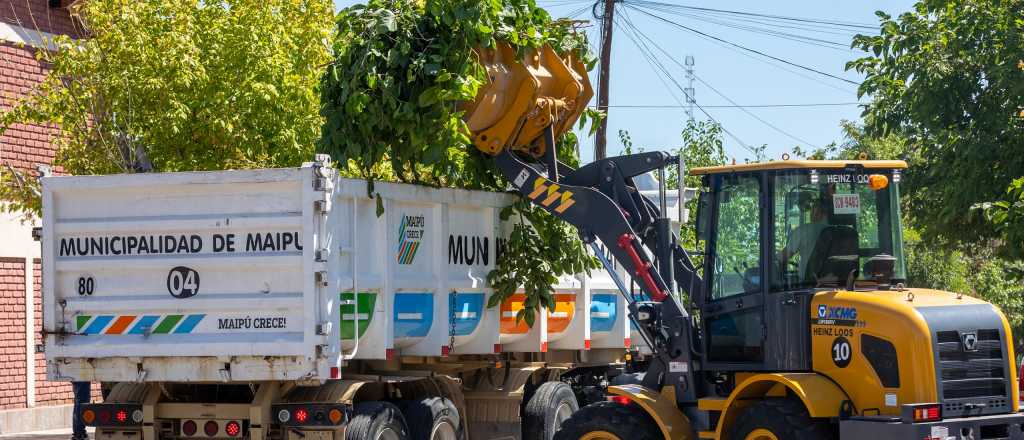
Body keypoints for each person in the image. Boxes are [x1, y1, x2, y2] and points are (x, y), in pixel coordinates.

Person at [778, 196, 831, 280]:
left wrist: (771, 258)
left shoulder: (803, 230)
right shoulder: (842, 234)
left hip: (808, 284)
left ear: (816, 212)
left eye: (813, 209)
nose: (811, 213)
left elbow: (783, 256)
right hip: (839, 285)